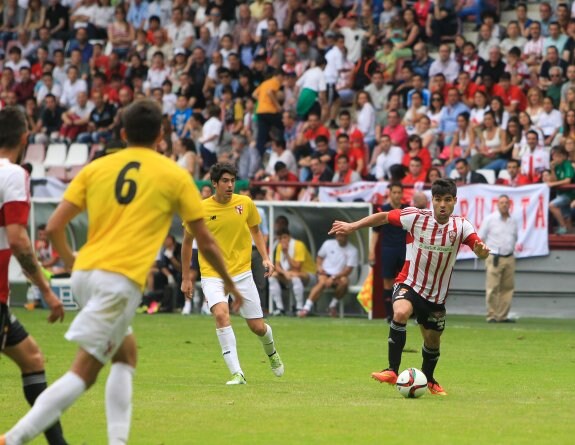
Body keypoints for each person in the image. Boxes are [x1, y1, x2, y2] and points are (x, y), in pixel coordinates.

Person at [1, 100, 243, 445]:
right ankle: (13, 438)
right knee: (84, 372)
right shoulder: (174, 175)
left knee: (126, 352)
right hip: (119, 280)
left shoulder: (98, 167)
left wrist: (73, 264)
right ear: (161, 134)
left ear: (123, 133)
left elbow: (53, 227)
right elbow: (205, 240)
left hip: (86, 275)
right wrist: (231, 282)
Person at [329, 178, 490, 396]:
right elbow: (384, 217)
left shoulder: (461, 226)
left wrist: (480, 252)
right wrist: (353, 225)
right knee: (401, 312)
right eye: (439, 199)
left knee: (432, 341)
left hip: (436, 295)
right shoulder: (416, 217)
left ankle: (428, 379)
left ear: (455, 202)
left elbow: (476, 244)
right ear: (432, 200)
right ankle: (392, 370)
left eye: (448, 200)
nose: (443, 204)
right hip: (410, 283)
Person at [181, 163, 283, 385]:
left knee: (257, 327)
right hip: (212, 274)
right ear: (214, 184)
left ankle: (272, 352)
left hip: (242, 274)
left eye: (232, 181)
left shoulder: (245, 203)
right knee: (221, 315)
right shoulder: (199, 209)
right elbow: (187, 243)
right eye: (225, 181)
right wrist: (186, 277)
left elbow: (256, 230)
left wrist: (266, 258)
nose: (230, 185)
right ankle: (237, 373)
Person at [0, 108, 67, 445]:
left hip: (2, 304)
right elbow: (19, 240)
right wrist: (46, 290)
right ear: (25, 138)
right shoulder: (12, 175)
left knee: (33, 358)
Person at [369, 183, 407, 322]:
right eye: (394, 192)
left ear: (403, 194)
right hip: (388, 249)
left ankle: (408, 312)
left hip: (405, 249)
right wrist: (371, 251)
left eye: (399, 192)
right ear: (390, 193)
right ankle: (389, 315)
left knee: (407, 282)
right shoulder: (383, 210)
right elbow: (375, 232)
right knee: (388, 282)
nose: (397, 195)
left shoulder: (407, 210)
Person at [297, 233, 358, 318]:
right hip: (324, 273)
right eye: (338, 235)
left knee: (344, 282)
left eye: (342, 235)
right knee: (322, 282)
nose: (340, 237)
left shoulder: (352, 250)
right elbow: (319, 258)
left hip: (339, 276)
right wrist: (319, 267)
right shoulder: (328, 244)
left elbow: (348, 270)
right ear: (336, 236)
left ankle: (332, 306)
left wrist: (333, 278)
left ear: (347, 236)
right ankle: (306, 308)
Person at [478, 195, 518, 324]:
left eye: (507, 202)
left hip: (509, 256)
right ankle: (492, 315)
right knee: (493, 287)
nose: (504, 205)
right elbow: (481, 237)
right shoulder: (490, 219)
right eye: (502, 202)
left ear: (510, 205)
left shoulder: (513, 221)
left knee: (508, 288)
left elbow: (515, 238)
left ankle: (502, 315)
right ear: (497, 204)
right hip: (494, 256)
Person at [268, 227, 316, 315]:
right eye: (280, 238)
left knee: (295, 277)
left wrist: (286, 253)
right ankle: (280, 308)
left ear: (289, 237)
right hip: (289, 274)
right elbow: (277, 266)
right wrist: (285, 273)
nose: (283, 240)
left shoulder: (298, 245)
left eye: (285, 237)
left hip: (308, 275)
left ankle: (299, 308)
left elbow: (297, 267)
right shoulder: (279, 246)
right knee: (272, 277)